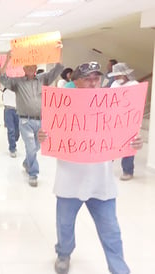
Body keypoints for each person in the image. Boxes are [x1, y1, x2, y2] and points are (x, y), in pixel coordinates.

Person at [38, 62, 143, 274]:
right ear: (76, 82)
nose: (93, 82)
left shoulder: (112, 106)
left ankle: (119, 268)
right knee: (65, 227)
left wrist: (133, 143)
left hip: (101, 183)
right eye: (88, 78)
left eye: (97, 78)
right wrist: (44, 136)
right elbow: (49, 136)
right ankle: (64, 253)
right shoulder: (62, 107)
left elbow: (124, 137)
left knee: (111, 231)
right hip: (69, 182)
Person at [0, 50, 64, 187]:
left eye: (32, 66)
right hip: (25, 120)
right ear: (23, 68)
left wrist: (58, 52)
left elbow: (57, 69)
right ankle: (33, 173)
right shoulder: (18, 82)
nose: (30, 69)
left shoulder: (43, 79)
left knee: (37, 146)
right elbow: (2, 78)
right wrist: (8, 60)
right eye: (27, 67)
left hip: (41, 120)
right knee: (30, 146)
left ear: (35, 68)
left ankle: (27, 162)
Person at [108, 62, 139, 181]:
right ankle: (103, 169)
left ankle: (128, 171)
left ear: (125, 74)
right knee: (110, 145)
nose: (116, 78)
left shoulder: (134, 85)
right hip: (114, 120)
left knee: (128, 146)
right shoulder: (114, 84)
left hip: (129, 121)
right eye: (115, 76)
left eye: (118, 75)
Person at [2, 86, 20, 158]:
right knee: (11, 130)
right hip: (8, 109)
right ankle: (12, 148)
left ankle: (13, 140)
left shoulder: (18, 82)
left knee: (17, 130)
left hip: (18, 109)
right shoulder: (4, 83)